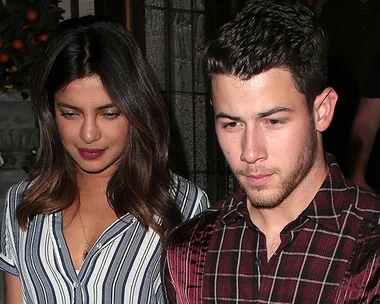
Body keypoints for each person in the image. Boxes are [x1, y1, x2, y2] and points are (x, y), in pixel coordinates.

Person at [162, 0, 380, 303]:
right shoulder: (189, 250)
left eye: (273, 121)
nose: (250, 152)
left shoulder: (371, 243)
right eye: (232, 124)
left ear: (322, 110)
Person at [0, 16, 209, 303]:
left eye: (109, 113)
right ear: (51, 114)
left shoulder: (184, 206)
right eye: (70, 113)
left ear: (137, 111)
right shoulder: (23, 203)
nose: (88, 134)